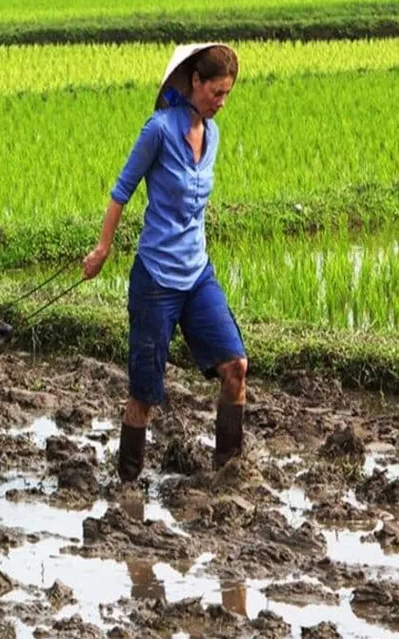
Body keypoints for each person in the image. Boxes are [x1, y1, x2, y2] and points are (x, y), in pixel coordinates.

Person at [82, 43, 248, 483]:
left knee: (235, 367)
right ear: (195, 82)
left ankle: (228, 472)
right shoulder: (158, 130)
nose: (221, 102)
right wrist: (102, 249)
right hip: (156, 279)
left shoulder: (212, 136)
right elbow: (122, 191)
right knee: (145, 395)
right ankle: (128, 484)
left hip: (197, 273)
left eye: (227, 94)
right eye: (216, 92)